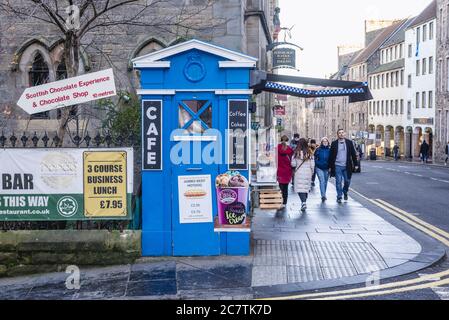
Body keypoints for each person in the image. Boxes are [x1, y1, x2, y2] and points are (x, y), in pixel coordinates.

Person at [329, 129, 358, 204]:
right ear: (337, 134)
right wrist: (330, 166)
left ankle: (345, 191)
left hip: (347, 166)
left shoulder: (349, 142)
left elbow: (353, 154)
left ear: (344, 134)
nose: (341, 134)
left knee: (347, 181)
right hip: (337, 165)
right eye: (339, 133)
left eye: (342, 133)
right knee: (338, 182)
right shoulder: (334, 143)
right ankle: (339, 196)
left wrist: (356, 164)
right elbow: (331, 156)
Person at [291, 138, 315, 212]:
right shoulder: (309, 153)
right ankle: (304, 201)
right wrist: (312, 171)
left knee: (300, 188)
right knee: (305, 187)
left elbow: (293, 164)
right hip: (308, 172)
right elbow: (312, 164)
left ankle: (303, 202)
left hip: (299, 173)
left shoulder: (296, 153)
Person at [277, 136, 294, 209]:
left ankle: (279, 201)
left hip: (279, 170)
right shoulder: (290, 150)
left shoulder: (277, 148)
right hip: (287, 171)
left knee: (280, 187)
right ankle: (284, 202)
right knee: (286, 188)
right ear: (287, 141)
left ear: (280, 140)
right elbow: (292, 161)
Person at [314, 137, 331, 202]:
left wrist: (330, 167)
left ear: (328, 142)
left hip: (327, 168)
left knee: (325, 182)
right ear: (321, 142)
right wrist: (317, 163)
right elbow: (314, 158)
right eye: (323, 141)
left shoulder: (330, 150)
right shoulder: (318, 149)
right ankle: (323, 195)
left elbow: (332, 159)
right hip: (319, 167)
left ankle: (324, 193)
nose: (325, 142)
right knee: (322, 181)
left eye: (326, 141)